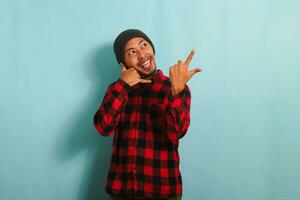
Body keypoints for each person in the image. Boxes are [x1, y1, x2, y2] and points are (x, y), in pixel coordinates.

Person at [93, 29, 202, 200]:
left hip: (162, 189)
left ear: (152, 49)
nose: (142, 55)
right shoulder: (117, 89)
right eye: (132, 52)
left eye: (144, 45)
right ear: (123, 63)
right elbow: (103, 127)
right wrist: (122, 86)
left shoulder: (174, 87)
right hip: (122, 190)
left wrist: (177, 93)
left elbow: (177, 132)